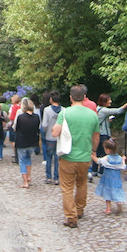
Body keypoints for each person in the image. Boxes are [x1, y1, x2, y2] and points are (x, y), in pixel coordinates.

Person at [52, 85, 100, 228]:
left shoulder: (65, 113)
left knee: (67, 187)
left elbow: (55, 133)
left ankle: (71, 217)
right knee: (82, 184)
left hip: (68, 157)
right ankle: (79, 209)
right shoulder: (93, 114)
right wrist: (93, 151)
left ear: (70, 98)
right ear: (85, 97)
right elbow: (96, 137)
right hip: (85, 157)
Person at [89, 94, 127, 180]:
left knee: (96, 151)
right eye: (109, 100)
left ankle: (94, 170)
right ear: (104, 101)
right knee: (104, 153)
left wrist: (107, 120)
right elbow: (118, 111)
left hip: (97, 134)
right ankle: (101, 172)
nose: (110, 101)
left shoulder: (97, 109)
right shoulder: (104, 110)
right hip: (103, 135)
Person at [92, 138, 126, 214]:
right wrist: (123, 159)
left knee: (107, 191)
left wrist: (91, 155)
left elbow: (98, 161)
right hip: (116, 178)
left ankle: (108, 209)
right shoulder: (119, 158)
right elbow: (123, 166)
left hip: (107, 178)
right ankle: (119, 202)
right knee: (117, 189)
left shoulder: (107, 158)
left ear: (107, 150)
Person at [13, 97, 40, 188]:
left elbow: (16, 129)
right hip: (32, 142)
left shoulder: (21, 117)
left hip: (22, 142)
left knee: (22, 161)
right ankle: (29, 177)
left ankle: (25, 182)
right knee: (28, 159)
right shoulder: (36, 117)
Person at [41, 90, 62, 185]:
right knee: (58, 158)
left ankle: (49, 177)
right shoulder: (64, 110)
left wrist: (47, 131)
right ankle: (57, 178)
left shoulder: (47, 110)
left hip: (50, 136)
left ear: (51, 99)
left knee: (49, 157)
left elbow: (44, 124)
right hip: (60, 138)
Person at [8, 94, 22, 163]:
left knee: (13, 140)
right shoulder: (21, 107)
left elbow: (10, 117)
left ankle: (16, 154)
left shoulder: (13, 107)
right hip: (21, 125)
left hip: (13, 124)